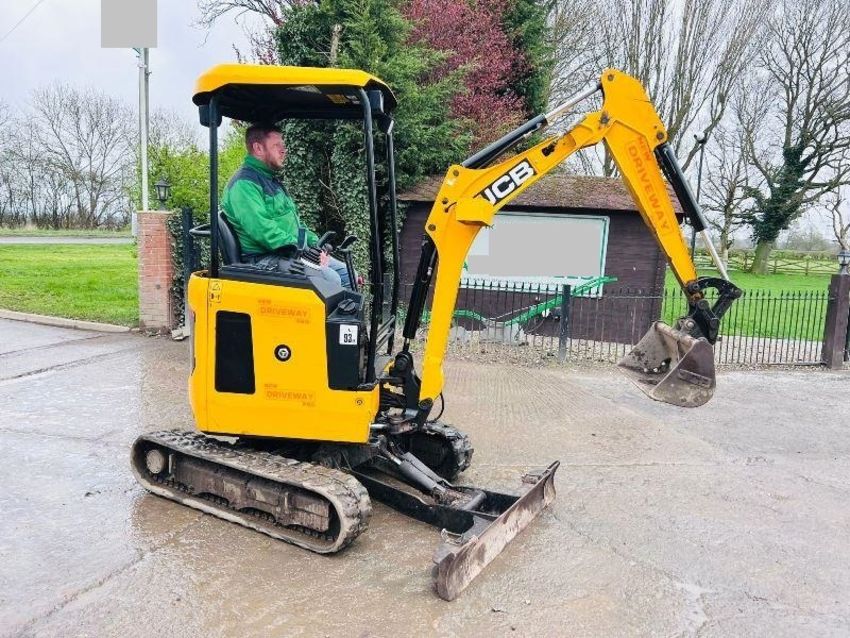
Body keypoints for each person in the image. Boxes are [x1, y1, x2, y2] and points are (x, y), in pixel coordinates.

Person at [221, 123, 352, 289]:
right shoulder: (244, 185)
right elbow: (263, 231)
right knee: (331, 279)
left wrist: (316, 244)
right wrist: (304, 249)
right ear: (258, 148)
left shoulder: (271, 180)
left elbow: (295, 224)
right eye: (277, 145)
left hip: (288, 252)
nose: (284, 150)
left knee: (348, 275)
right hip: (263, 259)